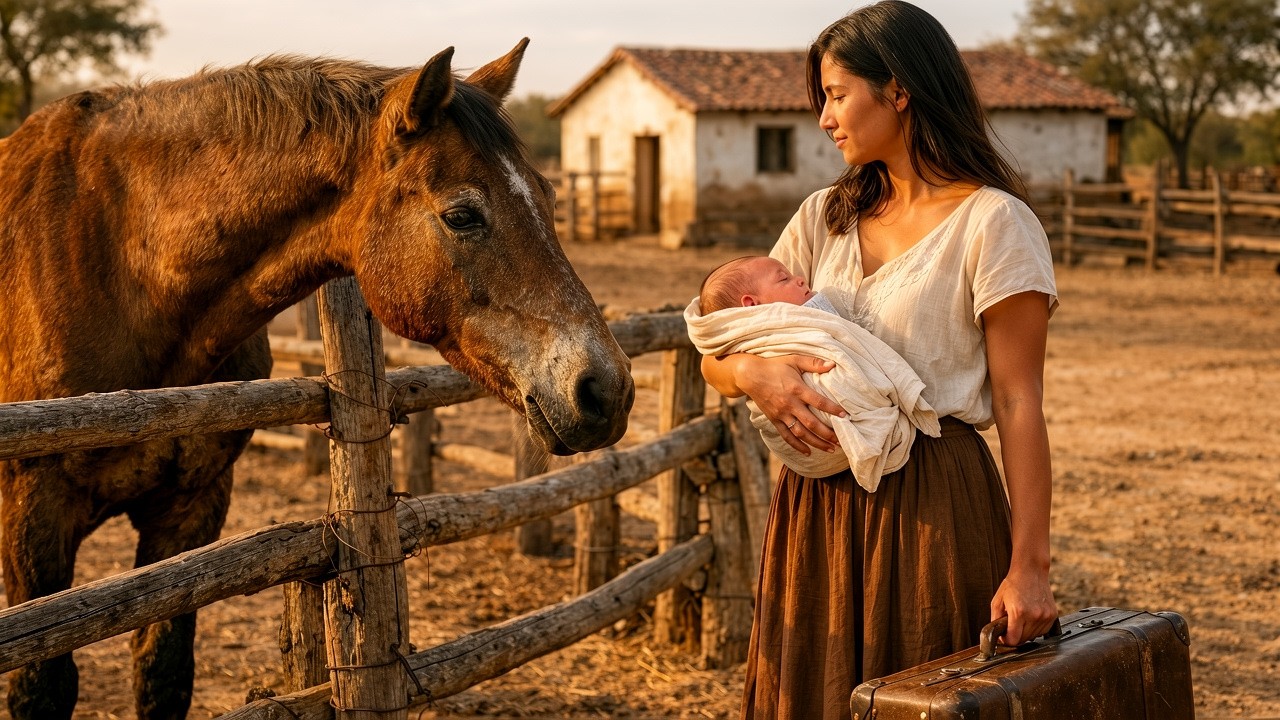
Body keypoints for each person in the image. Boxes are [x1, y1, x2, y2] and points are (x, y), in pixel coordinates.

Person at [698, 2, 1061, 718]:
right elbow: (722, 346)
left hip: (933, 509)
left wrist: (1031, 568)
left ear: (898, 90)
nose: (825, 119)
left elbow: (1021, 403)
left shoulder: (995, 224)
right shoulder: (821, 215)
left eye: (836, 95)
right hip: (817, 507)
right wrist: (753, 375)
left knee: (921, 696)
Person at [687, 255, 940, 490]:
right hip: (816, 473)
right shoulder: (819, 215)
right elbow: (711, 365)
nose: (800, 279)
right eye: (784, 278)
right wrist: (747, 369)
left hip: (929, 461)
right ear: (752, 304)